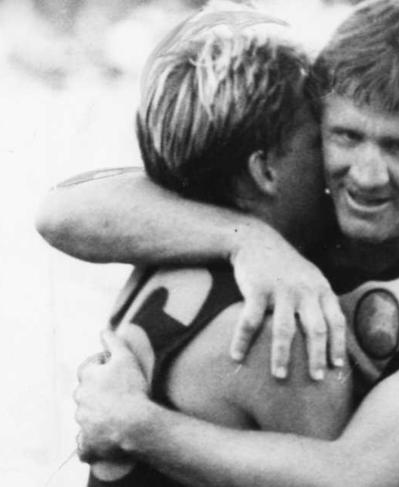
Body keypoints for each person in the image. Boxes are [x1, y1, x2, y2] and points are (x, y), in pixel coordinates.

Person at [37, 1, 399, 485]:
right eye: (346, 136)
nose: (366, 175)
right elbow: (62, 212)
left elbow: (359, 477)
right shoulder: (318, 211)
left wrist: (138, 425)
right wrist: (245, 239)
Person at [48, 3, 353, 486]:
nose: (340, 164)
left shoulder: (162, 253)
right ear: (264, 170)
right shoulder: (279, 329)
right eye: (319, 142)